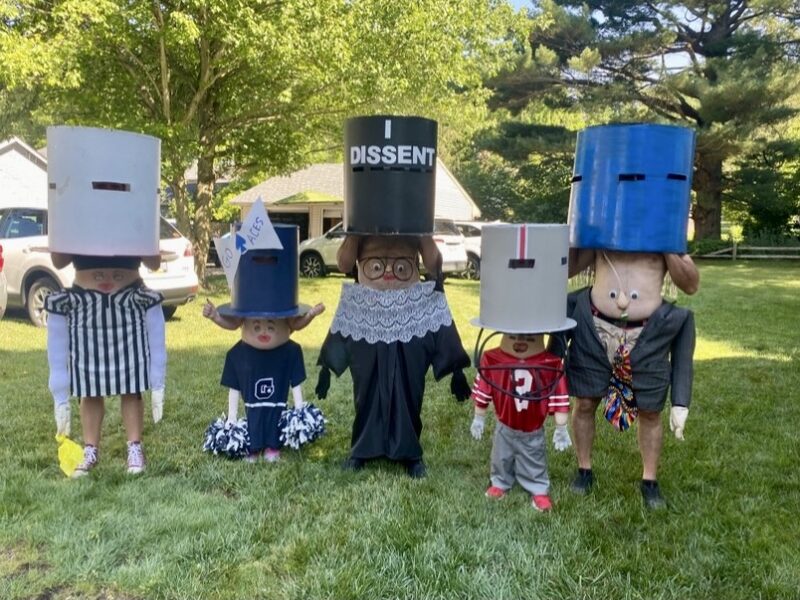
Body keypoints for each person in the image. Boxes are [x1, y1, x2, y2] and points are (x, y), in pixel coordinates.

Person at [44, 125, 165, 477]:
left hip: (128, 304)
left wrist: (142, 225)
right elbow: (59, 261)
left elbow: (154, 262)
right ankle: (91, 449)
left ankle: (134, 448)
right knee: (89, 384)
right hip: (87, 308)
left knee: (132, 383)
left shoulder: (136, 204)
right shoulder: (78, 206)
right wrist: (65, 218)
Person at [316, 234, 471, 478]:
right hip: (368, 305)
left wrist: (424, 233)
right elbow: (345, 264)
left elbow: (434, 266)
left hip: (408, 303)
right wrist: (354, 232)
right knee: (366, 385)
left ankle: (410, 452)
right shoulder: (360, 219)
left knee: (409, 384)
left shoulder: (415, 219)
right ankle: (362, 448)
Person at [565, 249, 699, 508]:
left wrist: (668, 246)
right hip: (596, 325)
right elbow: (566, 270)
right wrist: (576, 235)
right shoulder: (601, 235)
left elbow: (690, 285)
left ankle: (649, 480)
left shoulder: (664, 235)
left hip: (646, 332)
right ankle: (584, 470)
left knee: (650, 412)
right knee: (585, 402)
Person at [470, 332, 571, 511]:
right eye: (513, 337)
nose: (520, 342)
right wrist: (478, 418)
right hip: (505, 425)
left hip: (533, 429)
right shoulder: (493, 359)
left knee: (534, 457)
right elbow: (483, 391)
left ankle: (538, 487)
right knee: (501, 456)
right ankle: (500, 481)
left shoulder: (551, 364)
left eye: (530, 339)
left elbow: (559, 396)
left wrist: (561, 428)